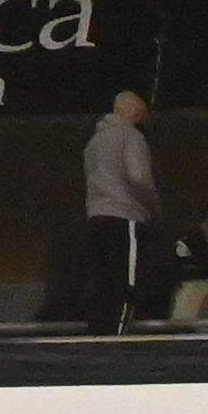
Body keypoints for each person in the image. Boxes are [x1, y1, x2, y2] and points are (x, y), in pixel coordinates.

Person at [77, 88, 158, 332]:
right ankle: (119, 332)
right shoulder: (131, 136)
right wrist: (153, 207)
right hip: (126, 215)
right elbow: (140, 178)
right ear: (134, 111)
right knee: (126, 280)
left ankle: (98, 332)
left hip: (96, 216)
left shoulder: (93, 143)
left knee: (101, 281)